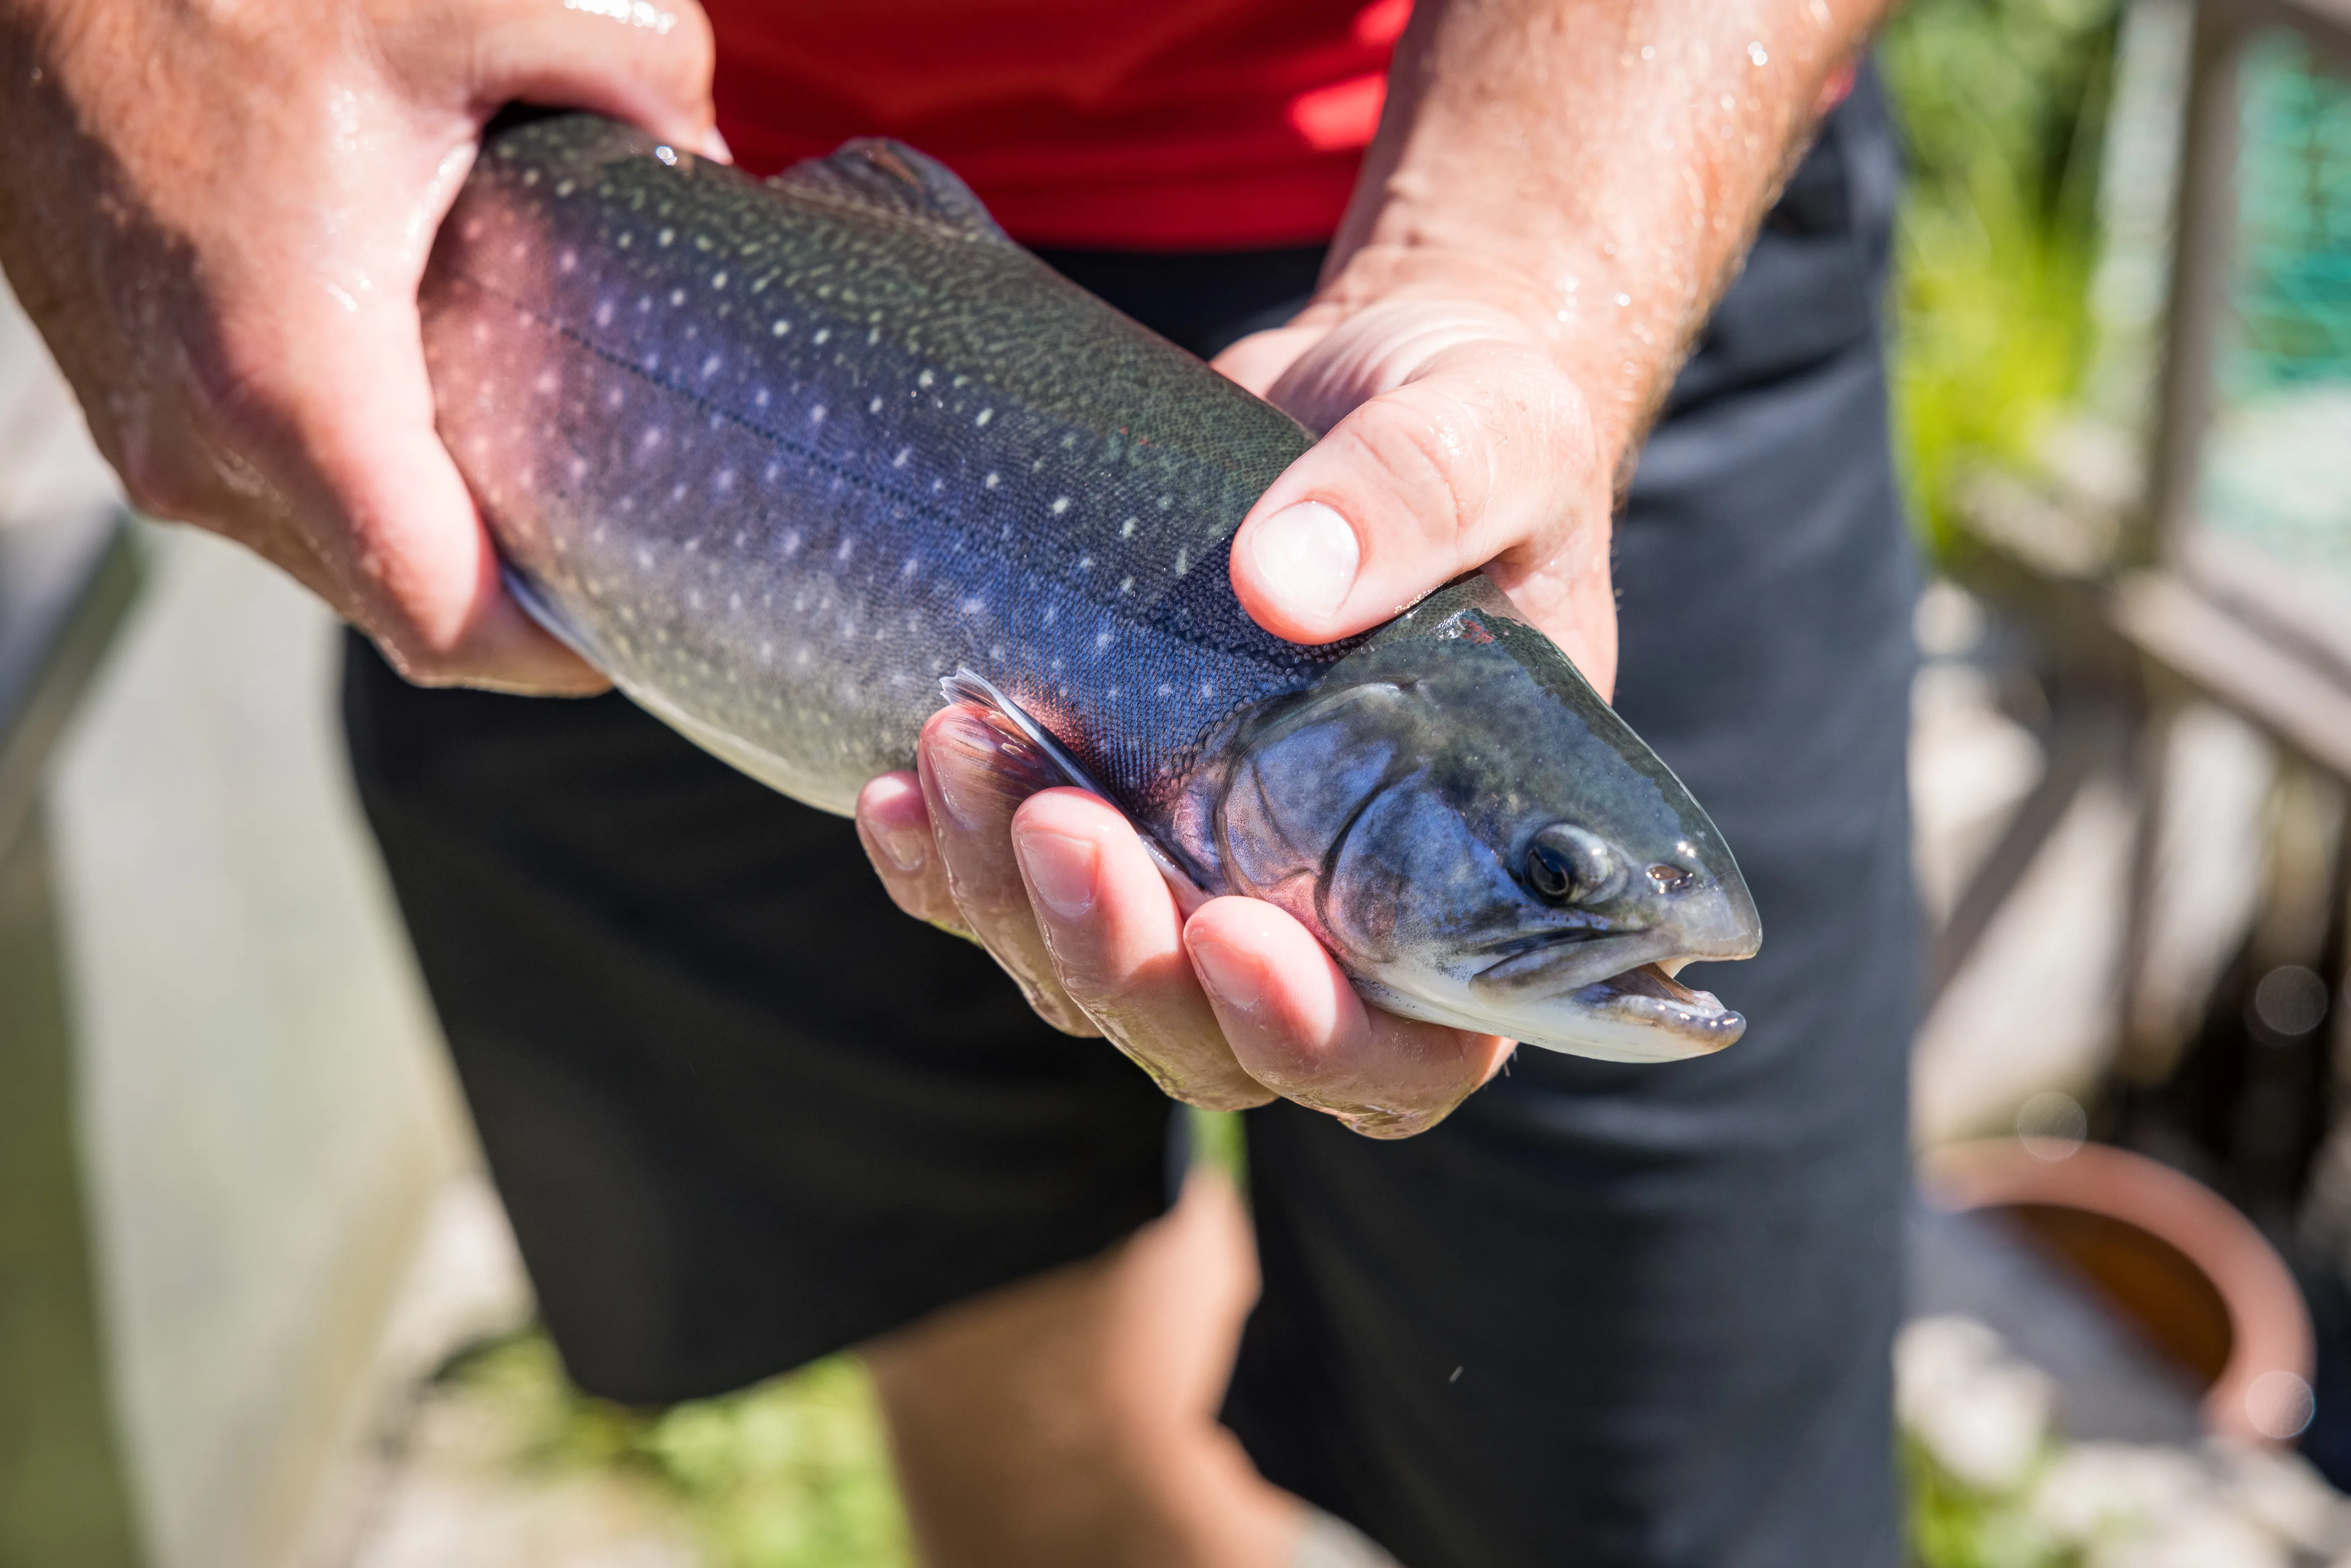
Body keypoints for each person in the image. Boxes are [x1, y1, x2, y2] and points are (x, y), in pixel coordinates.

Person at [0, 0, 1919, 1562]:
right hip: (566, 194)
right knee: (999, 1393)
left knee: (1668, 1483)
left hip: (1538, 229)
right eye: (1560, 873)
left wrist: (1516, 272)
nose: (1600, 912)